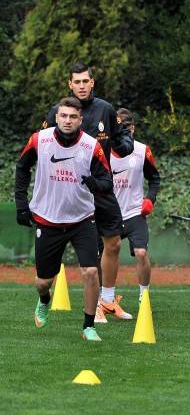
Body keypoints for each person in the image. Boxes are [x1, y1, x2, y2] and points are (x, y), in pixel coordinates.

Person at [15, 97, 113, 341]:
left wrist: (95, 184)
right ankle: (44, 300)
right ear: (56, 117)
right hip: (48, 220)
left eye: (73, 117)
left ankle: (88, 327)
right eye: (64, 116)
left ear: (81, 120)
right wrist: (21, 205)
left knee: (91, 271)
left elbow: (107, 181)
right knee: (43, 281)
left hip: (82, 219)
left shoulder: (91, 146)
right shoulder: (39, 140)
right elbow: (22, 168)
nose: (68, 120)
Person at [44, 63, 134, 322]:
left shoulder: (106, 109)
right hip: (71, 190)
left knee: (113, 243)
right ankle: (91, 306)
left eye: (86, 81)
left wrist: (125, 145)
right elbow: (42, 144)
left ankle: (108, 300)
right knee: (89, 249)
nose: (82, 86)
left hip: (102, 187)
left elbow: (122, 137)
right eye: (77, 82)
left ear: (92, 82)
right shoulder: (59, 112)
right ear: (70, 85)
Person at [111, 108, 160, 303]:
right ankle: (105, 297)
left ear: (133, 128)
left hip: (134, 213)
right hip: (109, 214)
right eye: (119, 126)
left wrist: (149, 199)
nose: (124, 130)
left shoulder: (142, 150)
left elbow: (154, 178)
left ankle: (144, 295)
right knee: (103, 255)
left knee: (141, 252)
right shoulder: (102, 149)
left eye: (127, 126)